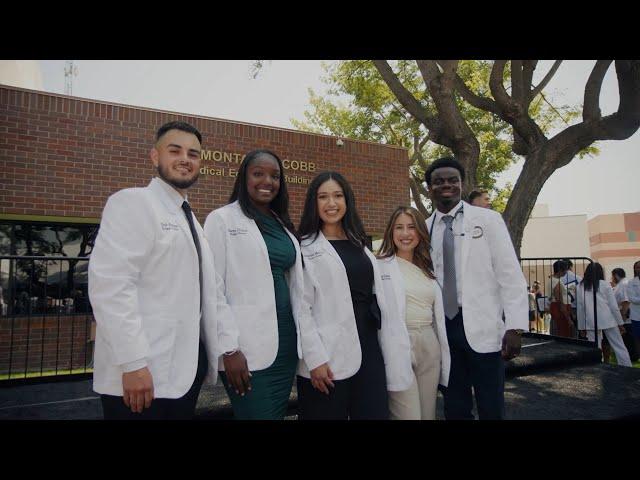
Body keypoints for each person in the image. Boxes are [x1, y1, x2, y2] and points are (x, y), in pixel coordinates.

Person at [88, 121, 231, 419]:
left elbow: (210, 292)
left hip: (183, 375)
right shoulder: (133, 203)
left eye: (193, 154)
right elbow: (112, 287)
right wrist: (132, 363)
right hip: (142, 377)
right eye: (175, 150)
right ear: (155, 157)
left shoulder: (192, 221)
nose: (184, 159)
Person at [203, 149, 304, 420]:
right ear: (244, 177)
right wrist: (230, 349)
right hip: (244, 348)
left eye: (274, 176)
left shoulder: (282, 224)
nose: (267, 181)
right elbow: (212, 288)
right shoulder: (221, 219)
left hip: (285, 343)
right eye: (258, 174)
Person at [424, 157, 528, 420]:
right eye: (439, 181)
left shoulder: (489, 220)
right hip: (443, 329)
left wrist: (514, 326)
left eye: (452, 180)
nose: (446, 185)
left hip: (483, 326)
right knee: (455, 407)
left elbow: (510, 274)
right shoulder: (424, 229)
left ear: (461, 184)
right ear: (430, 188)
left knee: (491, 405)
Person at [295, 171, 390, 420]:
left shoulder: (359, 243)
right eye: (323, 197)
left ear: (347, 201)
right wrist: (315, 359)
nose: (331, 203)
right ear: (313, 203)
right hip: (327, 354)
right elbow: (301, 308)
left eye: (338, 196)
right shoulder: (304, 247)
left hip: (368, 346)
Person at [376, 206, 450, 420]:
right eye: (399, 227)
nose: (405, 234)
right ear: (391, 232)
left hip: (429, 343)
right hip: (398, 343)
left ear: (420, 232)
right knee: (408, 416)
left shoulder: (429, 269)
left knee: (427, 414)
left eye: (411, 227)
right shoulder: (379, 265)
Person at [576, 263, 632, 367]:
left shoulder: (580, 286)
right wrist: (620, 323)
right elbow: (613, 306)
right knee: (619, 346)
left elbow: (580, 308)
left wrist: (581, 326)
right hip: (608, 319)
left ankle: (596, 368)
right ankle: (627, 367)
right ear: (600, 272)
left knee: (595, 347)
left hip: (590, 321)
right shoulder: (605, 284)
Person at [612, 267, 638, 362]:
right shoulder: (622, 283)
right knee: (628, 338)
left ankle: (632, 356)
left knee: (629, 339)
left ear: (616, 275)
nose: (612, 279)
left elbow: (625, 302)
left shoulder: (623, 284)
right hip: (625, 315)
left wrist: (622, 317)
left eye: (612, 276)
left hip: (625, 316)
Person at [545, 260, 573, 338]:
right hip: (561, 310)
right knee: (564, 333)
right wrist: (568, 318)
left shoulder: (552, 280)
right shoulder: (556, 282)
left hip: (556, 308)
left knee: (559, 332)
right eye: (566, 270)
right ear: (561, 270)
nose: (566, 272)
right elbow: (560, 302)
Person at [627, 260, 640, 359]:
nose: (639, 269)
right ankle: (638, 355)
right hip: (636, 315)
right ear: (634, 269)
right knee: (637, 337)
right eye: (637, 267)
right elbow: (632, 299)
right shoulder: (631, 282)